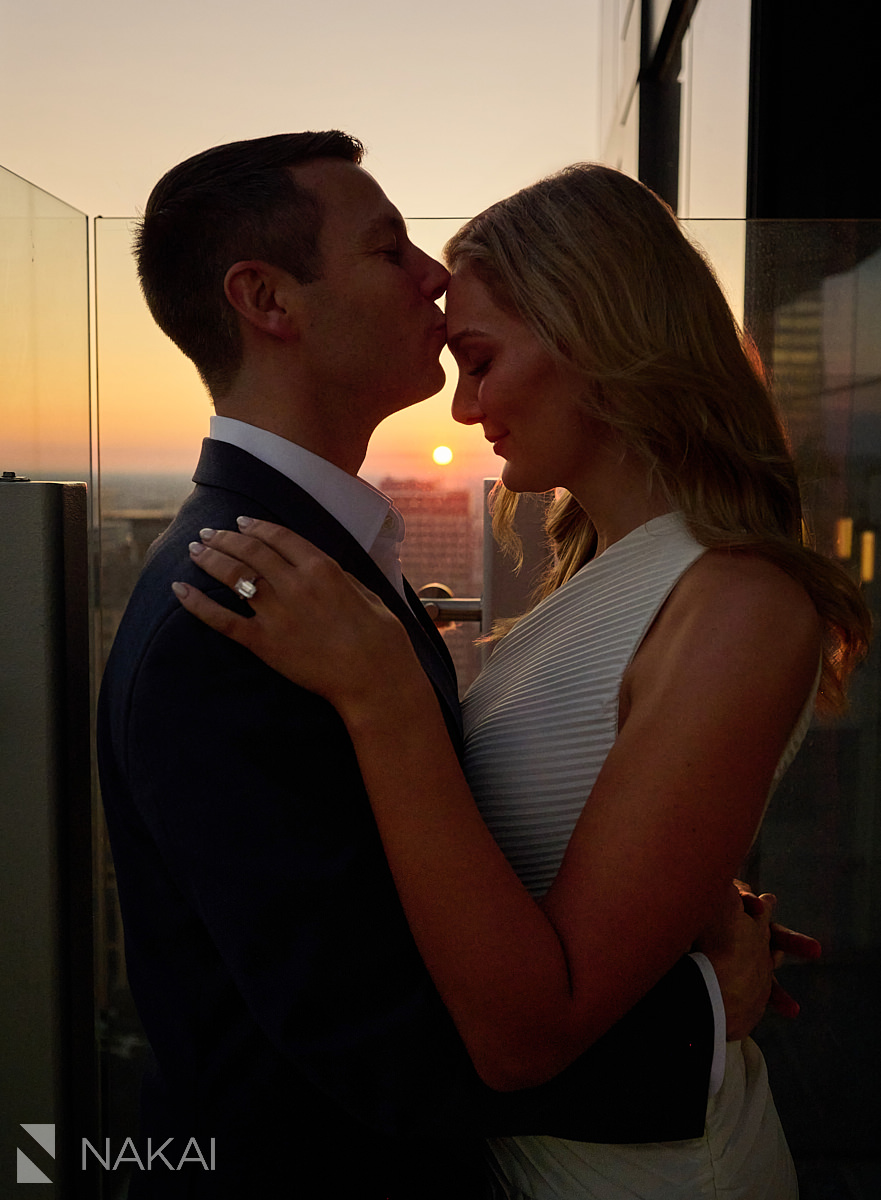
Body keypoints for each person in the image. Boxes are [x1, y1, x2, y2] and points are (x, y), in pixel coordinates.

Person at [173, 162, 870, 1198]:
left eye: (480, 361)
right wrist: (678, 900)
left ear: (592, 338)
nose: (463, 409)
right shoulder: (606, 577)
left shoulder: (739, 602)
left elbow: (525, 1037)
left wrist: (384, 694)